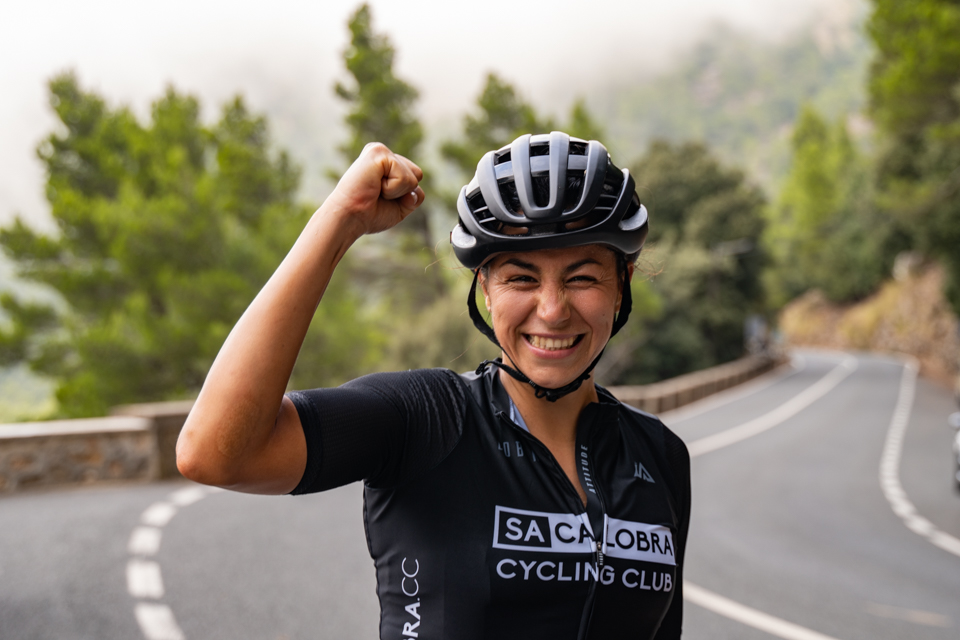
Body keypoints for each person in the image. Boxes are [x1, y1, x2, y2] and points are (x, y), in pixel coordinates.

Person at [177, 131, 691, 639]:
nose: (552, 310)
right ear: (485, 288)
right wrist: (340, 219)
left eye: (582, 278)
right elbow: (215, 454)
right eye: (521, 278)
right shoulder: (426, 419)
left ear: (621, 285)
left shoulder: (660, 454)